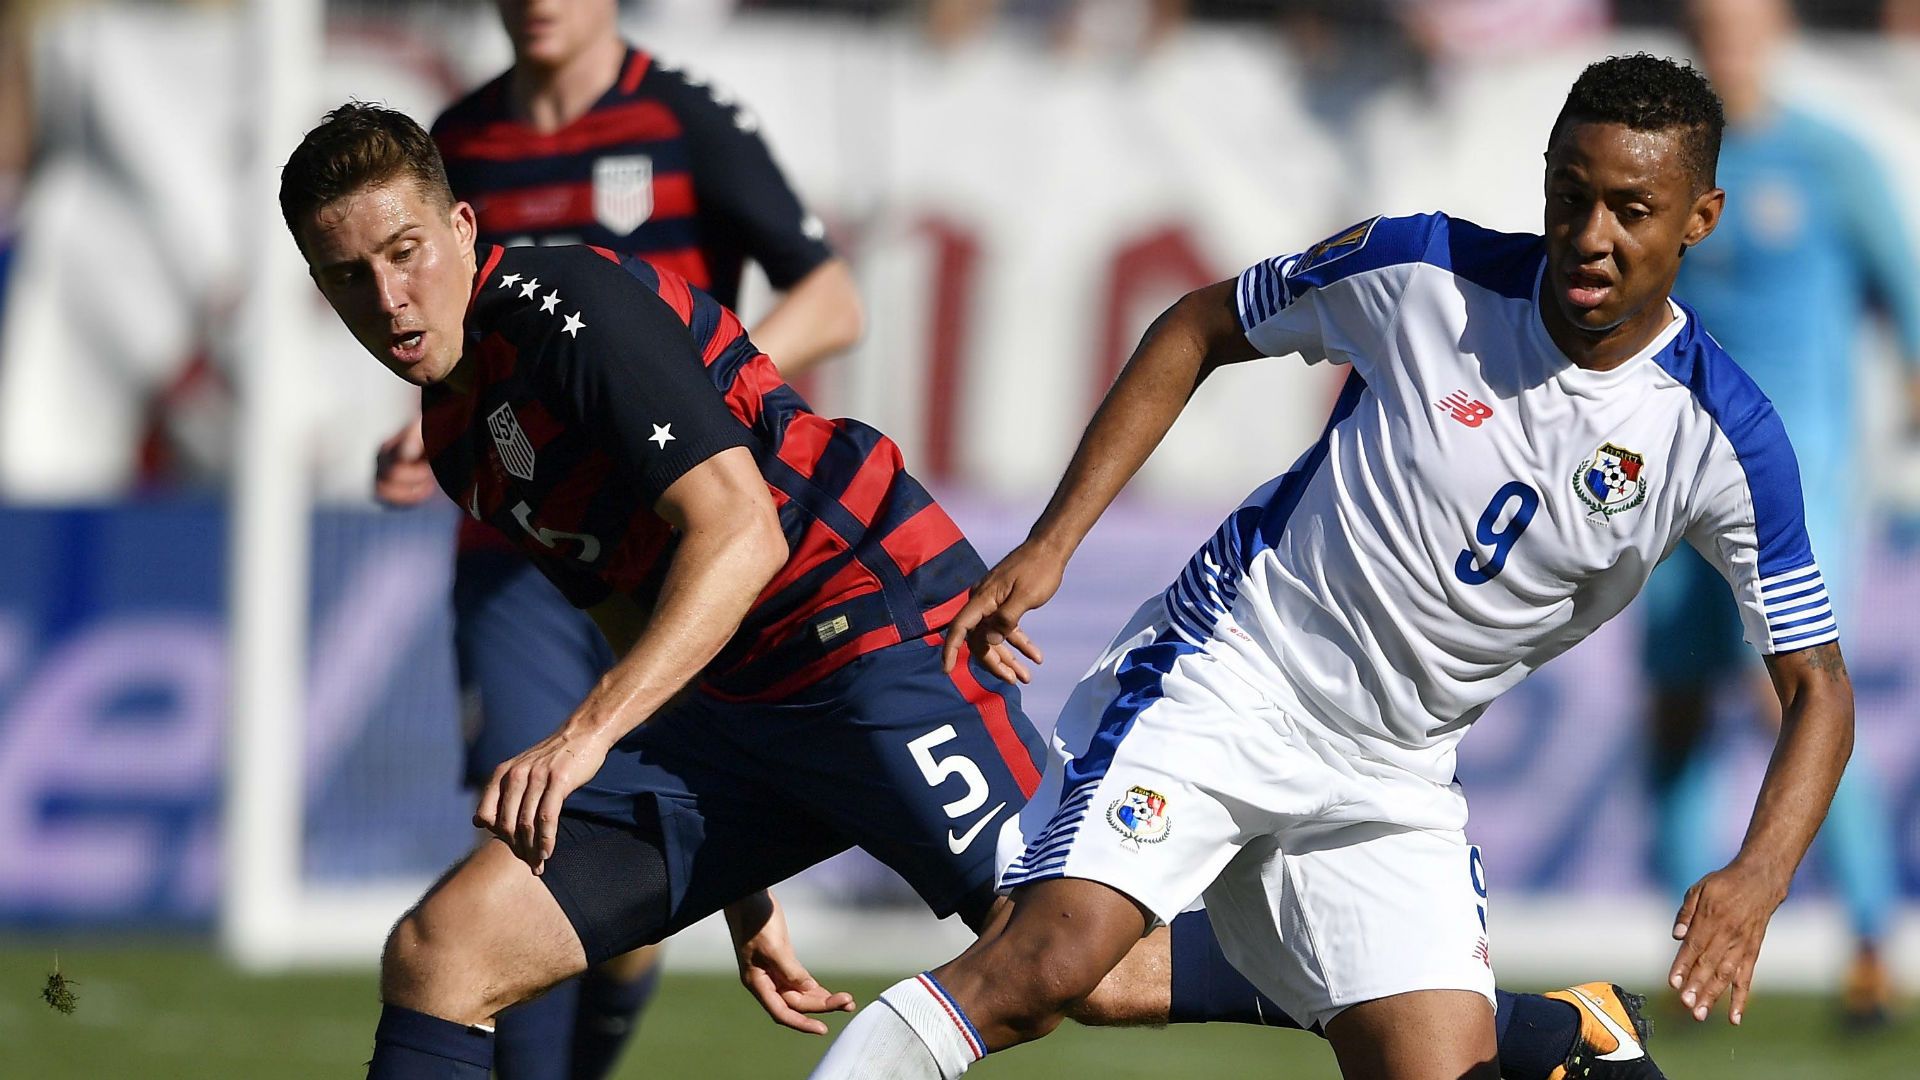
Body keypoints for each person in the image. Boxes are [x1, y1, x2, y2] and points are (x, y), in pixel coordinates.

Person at [283, 103, 1669, 1080]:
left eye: (405, 251)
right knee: (441, 954)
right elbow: (631, 604)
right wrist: (736, 889)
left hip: (873, 639)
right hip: (727, 715)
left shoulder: (575, 317)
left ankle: (1542, 1029)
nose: (389, 297)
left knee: (1080, 967)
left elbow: (740, 536)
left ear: (462, 227)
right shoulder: (459, 431)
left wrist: (587, 735)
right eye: (350, 278)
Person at [808, 53, 1854, 1080]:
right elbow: (1201, 323)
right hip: (1238, 670)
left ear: (1700, 218)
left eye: (1631, 211)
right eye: (1570, 197)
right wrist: (1051, 544)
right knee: (1045, 965)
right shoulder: (1424, 272)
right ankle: (1397, 993)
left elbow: (1818, 687)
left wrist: (1757, 878)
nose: (1589, 237)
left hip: (1394, 771)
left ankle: (1477, 1014)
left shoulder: (1723, 439)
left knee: (1422, 1061)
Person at [367, 0, 863, 1074]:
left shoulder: (685, 119)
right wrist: (430, 427)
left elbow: (832, 297)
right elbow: (445, 335)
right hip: (523, 554)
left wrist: (684, 394)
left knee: (622, 867)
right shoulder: (455, 144)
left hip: (686, 539)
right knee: (529, 834)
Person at [1640, 0, 1920, 1028]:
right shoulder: (1668, 171)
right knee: (1672, 714)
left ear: (1775, 31)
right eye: (1710, 21)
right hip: (1670, 476)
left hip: (1794, 484)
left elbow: (1912, 304)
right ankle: (1687, 957)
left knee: (1797, 701)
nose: (1727, 38)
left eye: (1743, 20)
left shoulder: (1831, 161)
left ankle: (1868, 950)